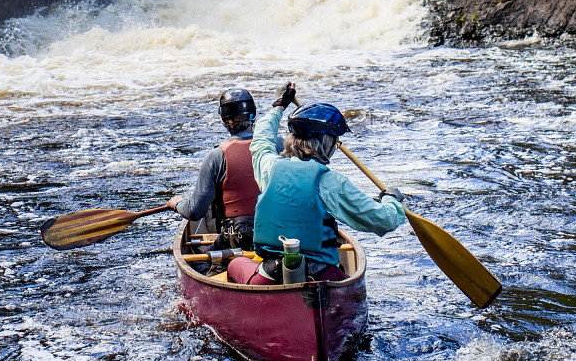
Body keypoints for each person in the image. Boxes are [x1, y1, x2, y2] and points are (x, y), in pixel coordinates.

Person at [228, 87, 407, 284]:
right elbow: (384, 220)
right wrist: (391, 200)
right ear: (326, 142)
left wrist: (278, 106)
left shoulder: (271, 169)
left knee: (234, 265)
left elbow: (261, 141)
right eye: (335, 141)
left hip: (271, 275)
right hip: (320, 277)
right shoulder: (331, 183)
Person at [168, 86, 274, 249]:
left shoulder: (216, 157)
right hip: (278, 232)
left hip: (238, 239)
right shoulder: (278, 145)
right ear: (253, 115)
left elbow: (195, 211)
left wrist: (176, 204)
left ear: (224, 120)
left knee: (207, 265)